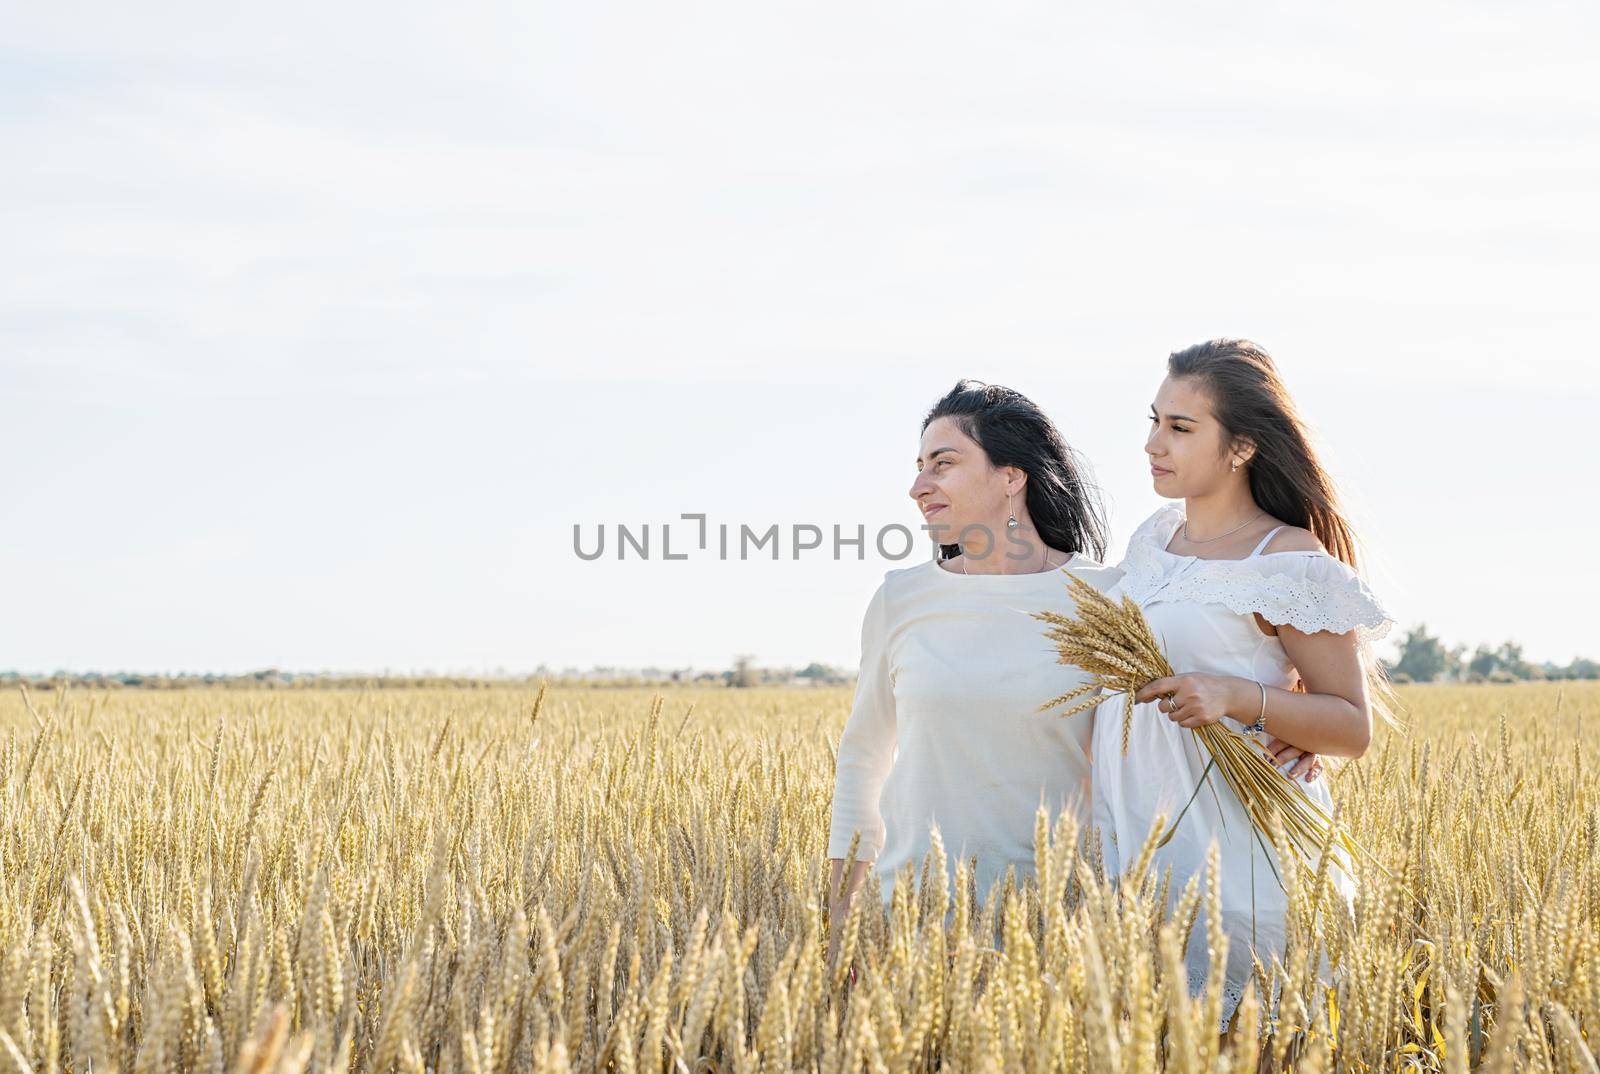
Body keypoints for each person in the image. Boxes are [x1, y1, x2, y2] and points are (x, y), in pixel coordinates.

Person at [822, 377, 1320, 966]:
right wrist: (842, 919)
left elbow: (1209, 671)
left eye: (943, 464)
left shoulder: (1112, 599)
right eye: (918, 465)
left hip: (1058, 922)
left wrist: (1289, 713)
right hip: (911, 910)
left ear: (1012, 477)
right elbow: (863, 759)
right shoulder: (900, 597)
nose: (917, 486)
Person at [1090, 338, 1397, 1034]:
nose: (1151, 443)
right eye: (1153, 420)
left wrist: (1236, 696)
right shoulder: (1152, 540)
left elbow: (1351, 727)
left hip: (1239, 862)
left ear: (1241, 449)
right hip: (1138, 851)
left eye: (1179, 427)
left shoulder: (1288, 562)